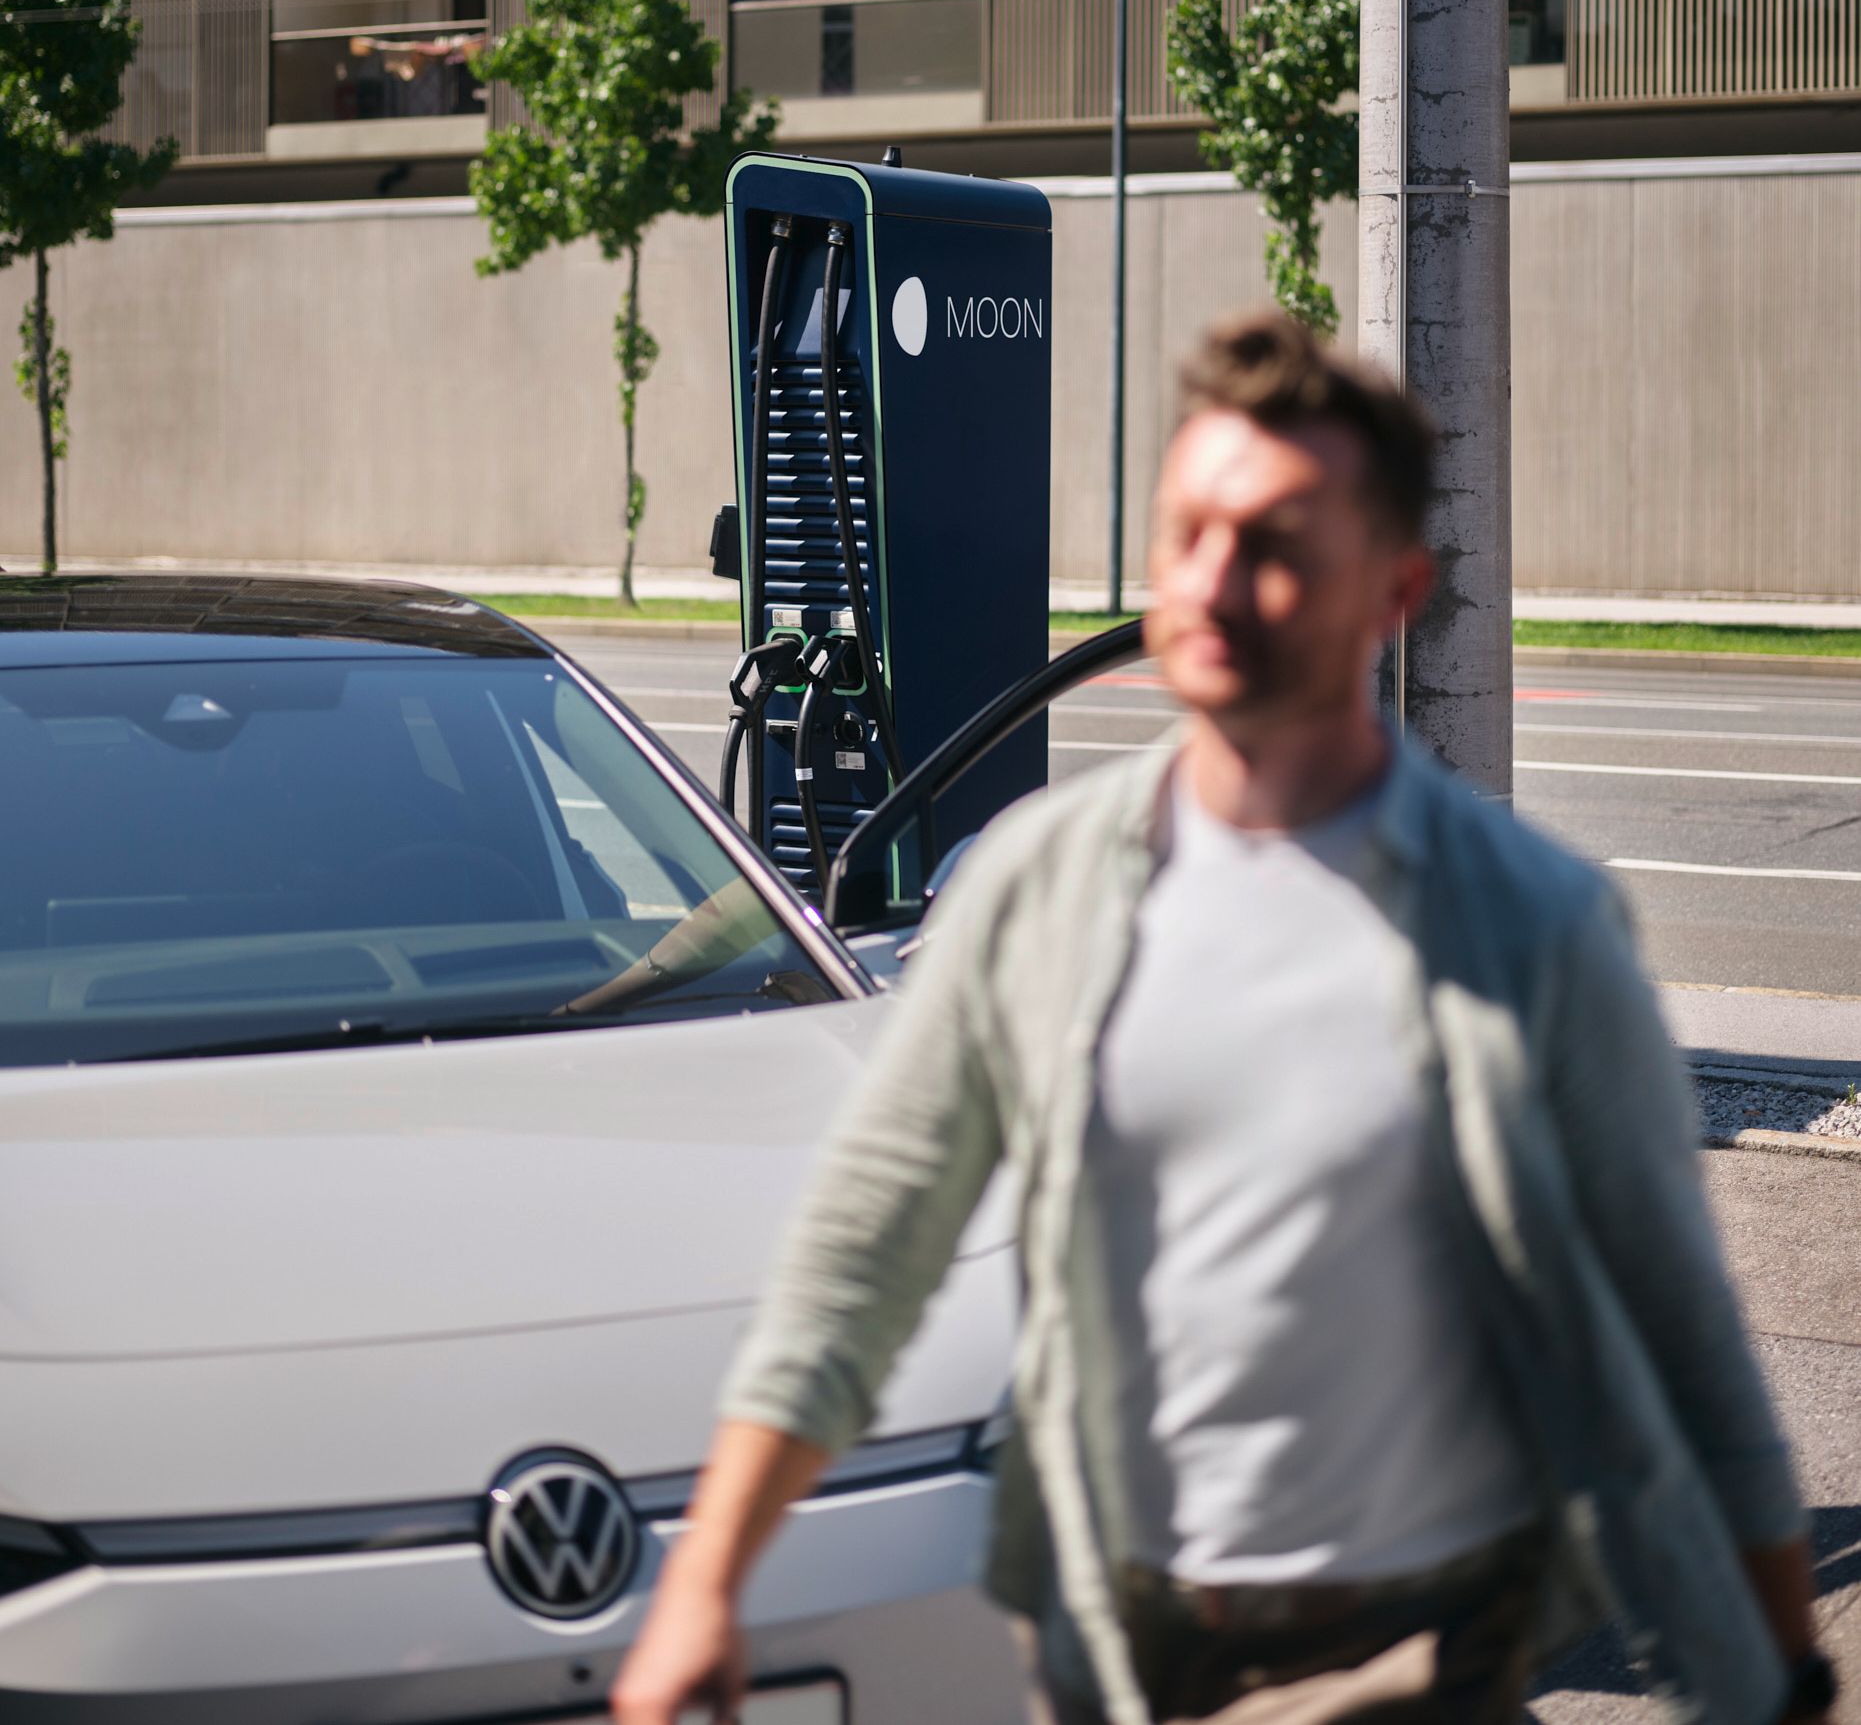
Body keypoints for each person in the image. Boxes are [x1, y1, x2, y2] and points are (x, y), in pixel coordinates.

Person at [612, 312, 1832, 1725]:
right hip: (1113, 1654)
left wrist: (1777, 1672)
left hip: (1412, 1655)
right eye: (1188, 530)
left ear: (1393, 589)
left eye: (1274, 545)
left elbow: (1685, 1342)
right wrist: (705, 1588)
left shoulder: (1529, 928)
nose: (1213, 580)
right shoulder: (1036, 888)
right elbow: (858, 1258)